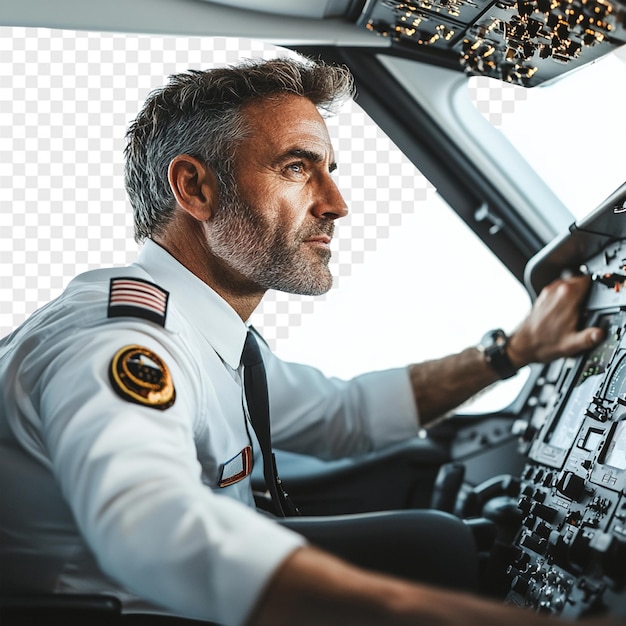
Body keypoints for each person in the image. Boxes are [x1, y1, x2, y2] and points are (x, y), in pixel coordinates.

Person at [0, 57, 611, 626]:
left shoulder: (210, 335)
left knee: (438, 540)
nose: (336, 204)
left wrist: (512, 353)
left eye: (329, 171)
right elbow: (152, 530)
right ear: (195, 188)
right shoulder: (122, 345)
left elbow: (345, 414)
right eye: (297, 167)